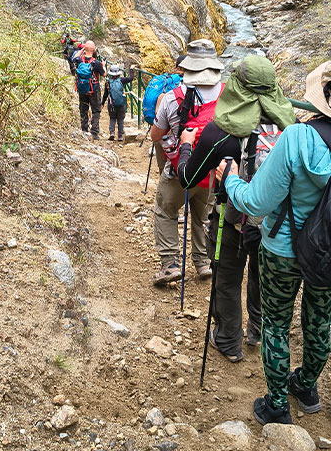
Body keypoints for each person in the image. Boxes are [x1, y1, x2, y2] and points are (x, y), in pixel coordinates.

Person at [217, 60, 331, 425]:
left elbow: (256, 202)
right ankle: (308, 388)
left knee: (277, 324)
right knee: (320, 320)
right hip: (327, 251)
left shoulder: (298, 138)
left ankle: (277, 405)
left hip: (283, 248)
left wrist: (230, 179)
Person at [176, 55, 296, 362]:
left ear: (237, 87)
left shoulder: (220, 132)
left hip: (232, 218)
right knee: (259, 274)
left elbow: (188, 177)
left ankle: (228, 340)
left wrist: (187, 144)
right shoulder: (291, 130)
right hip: (276, 222)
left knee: (227, 277)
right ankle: (256, 330)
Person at [151, 39, 224, 286]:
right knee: (203, 215)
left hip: (178, 171)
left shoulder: (173, 98)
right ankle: (203, 262)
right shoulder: (227, 96)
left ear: (187, 67)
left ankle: (170, 264)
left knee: (165, 210)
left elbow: (156, 136)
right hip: (213, 171)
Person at [72, 40, 105, 140]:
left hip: (82, 89)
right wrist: (103, 65)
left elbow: (73, 58)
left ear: (85, 49)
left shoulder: (79, 60)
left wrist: (82, 50)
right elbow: (104, 74)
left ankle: (84, 130)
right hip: (94, 89)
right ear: (94, 50)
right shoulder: (96, 63)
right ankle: (94, 132)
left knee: (83, 108)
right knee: (96, 110)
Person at [102, 64, 136, 141]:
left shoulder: (108, 82)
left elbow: (105, 95)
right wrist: (131, 69)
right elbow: (131, 78)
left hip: (111, 105)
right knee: (120, 119)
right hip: (121, 104)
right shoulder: (121, 80)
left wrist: (102, 103)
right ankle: (120, 136)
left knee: (112, 118)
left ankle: (112, 133)